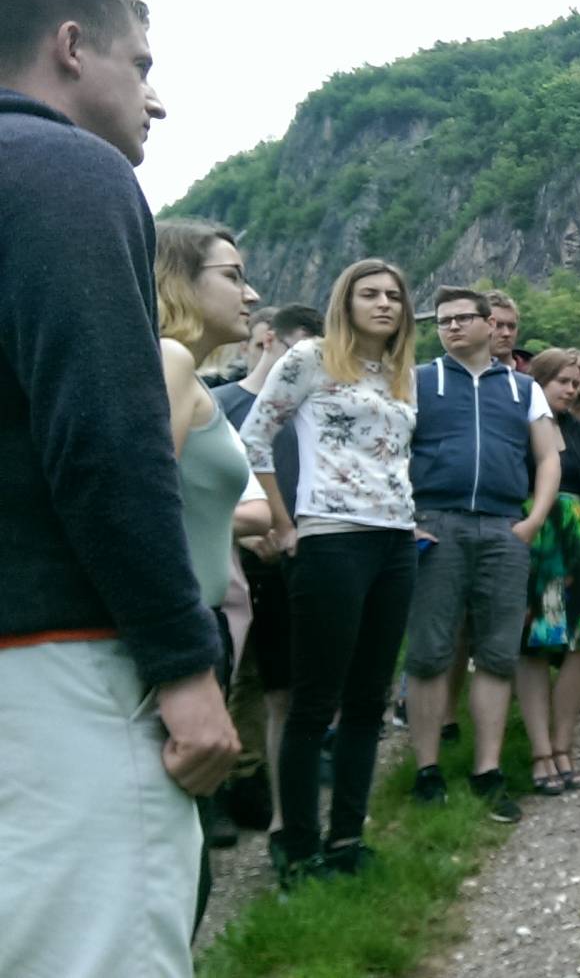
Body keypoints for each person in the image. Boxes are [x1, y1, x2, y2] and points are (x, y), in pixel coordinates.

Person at [0, 0, 240, 978]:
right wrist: (183, 667)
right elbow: (105, 441)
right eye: (140, 66)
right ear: (70, 47)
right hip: (59, 668)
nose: (156, 99)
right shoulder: (62, 169)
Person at [240, 258, 420, 885]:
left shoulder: (400, 372)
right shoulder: (311, 357)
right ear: (345, 302)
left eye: (393, 295)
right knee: (314, 702)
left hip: (395, 542)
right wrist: (282, 523)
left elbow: (396, 457)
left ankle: (347, 839)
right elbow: (253, 439)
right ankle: (297, 848)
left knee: (369, 700)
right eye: (370, 294)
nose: (384, 304)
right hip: (331, 539)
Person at [154, 217, 272, 923]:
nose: (250, 294)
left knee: (181, 856)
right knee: (173, 866)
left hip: (201, 625)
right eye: (232, 276)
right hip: (180, 633)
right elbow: (144, 507)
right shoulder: (168, 359)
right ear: (179, 281)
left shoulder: (187, 373)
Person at [405, 286, 560, 823]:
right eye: (442, 320)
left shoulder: (524, 388)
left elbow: (549, 458)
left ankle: (487, 770)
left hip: (503, 526)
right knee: (428, 650)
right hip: (435, 524)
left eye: (461, 318)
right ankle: (427, 770)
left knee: (497, 652)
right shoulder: (418, 381)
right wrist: (407, 520)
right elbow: (389, 451)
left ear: (488, 323)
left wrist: (533, 521)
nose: (450, 327)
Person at [213, 302, 324, 840]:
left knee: (285, 686)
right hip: (230, 561)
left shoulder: (311, 409)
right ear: (268, 341)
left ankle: (276, 802)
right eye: (300, 349)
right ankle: (222, 791)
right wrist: (243, 531)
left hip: (296, 558)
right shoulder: (219, 403)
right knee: (227, 677)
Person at [516, 347, 580, 795]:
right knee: (532, 646)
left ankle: (563, 746)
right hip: (533, 540)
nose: (572, 388)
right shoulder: (518, 426)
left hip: (579, 541)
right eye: (563, 380)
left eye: (578, 382)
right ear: (538, 381)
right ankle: (541, 754)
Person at [484, 288, 534, 372]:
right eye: (498, 326)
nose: (506, 333)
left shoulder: (536, 373)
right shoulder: (464, 374)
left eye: (512, 326)